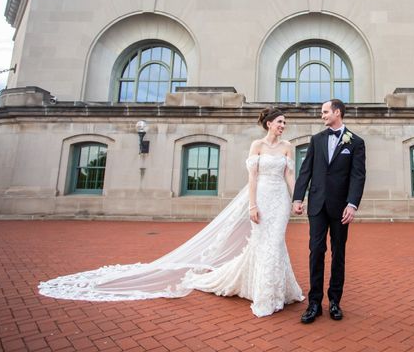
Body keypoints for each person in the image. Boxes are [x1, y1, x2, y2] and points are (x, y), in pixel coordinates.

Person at [38, 108, 304, 318]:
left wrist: (297, 199)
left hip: (279, 200)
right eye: (280, 121)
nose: (283, 126)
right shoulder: (257, 145)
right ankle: (264, 294)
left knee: (275, 243)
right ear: (269, 123)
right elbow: (253, 178)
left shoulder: (287, 147)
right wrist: (252, 205)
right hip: (261, 199)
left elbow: (289, 175)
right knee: (263, 243)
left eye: (284, 123)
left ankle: (277, 290)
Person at [292, 99, 366, 323]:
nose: (322, 115)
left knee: (338, 254)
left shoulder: (356, 142)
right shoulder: (316, 140)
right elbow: (305, 171)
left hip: (341, 207)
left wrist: (352, 204)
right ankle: (314, 303)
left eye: (325, 112)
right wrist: (298, 197)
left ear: (337, 112)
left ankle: (335, 301)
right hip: (317, 205)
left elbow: (358, 176)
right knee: (316, 251)